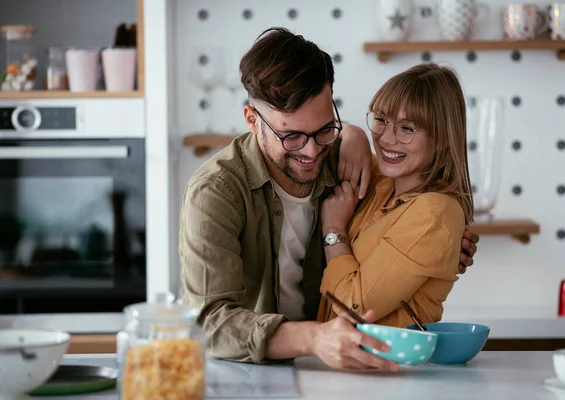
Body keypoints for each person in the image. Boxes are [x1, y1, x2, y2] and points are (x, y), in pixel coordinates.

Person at [179, 27, 479, 371]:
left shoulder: (344, 161)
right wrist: (312, 338)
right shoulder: (216, 192)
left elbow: (419, 210)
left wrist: (454, 238)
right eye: (291, 136)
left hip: (335, 373)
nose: (311, 150)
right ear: (251, 120)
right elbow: (210, 323)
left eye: (324, 129)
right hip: (247, 373)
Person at [318, 64, 473, 330]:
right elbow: (312, 138)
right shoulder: (381, 177)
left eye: (407, 128)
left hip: (386, 368)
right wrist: (352, 133)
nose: (387, 139)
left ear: (443, 138)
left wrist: (333, 230)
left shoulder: (434, 213)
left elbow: (354, 306)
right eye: (380, 120)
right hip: (340, 363)